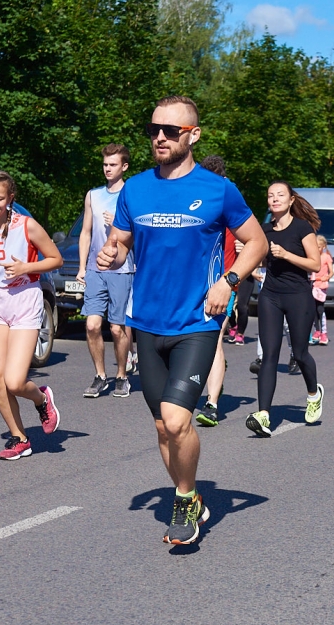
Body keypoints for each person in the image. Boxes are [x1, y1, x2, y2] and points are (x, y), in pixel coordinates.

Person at [97, 95, 266, 545]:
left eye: (171, 131)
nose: (159, 137)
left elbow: (257, 243)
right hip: (147, 321)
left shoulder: (217, 189)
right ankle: (187, 492)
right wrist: (111, 253)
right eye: (154, 129)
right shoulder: (135, 188)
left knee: (176, 420)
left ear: (193, 135)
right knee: (161, 425)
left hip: (197, 320)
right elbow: (120, 241)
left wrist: (228, 282)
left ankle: (186, 498)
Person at [0, 170, 63, 459]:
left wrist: (26, 268)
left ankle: (42, 399)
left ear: (10, 198)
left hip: (25, 301)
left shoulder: (26, 226)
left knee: (15, 382)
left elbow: (55, 258)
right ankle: (20, 438)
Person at [246, 182, 325, 437]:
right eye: (270, 195)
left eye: (280, 195)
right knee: (269, 355)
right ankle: (264, 415)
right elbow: (259, 258)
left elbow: (314, 264)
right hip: (270, 295)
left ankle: (313, 394)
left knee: (300, 353)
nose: (275, 199)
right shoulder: (264, 229)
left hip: (298, 296)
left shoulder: (302, 228)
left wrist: (287, 254)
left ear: (291, 200)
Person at [76, 144, 135, 398]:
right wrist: (81, 268)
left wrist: (120, 223)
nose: (108, 169)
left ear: (124, 167)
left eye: (113, 165)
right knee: (91, 325)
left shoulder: (132, 194)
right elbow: (86, 232)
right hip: (94, 268)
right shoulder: (93, 195)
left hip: (122, 269)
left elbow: (141, 232)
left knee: (116, 328)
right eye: (105, 164)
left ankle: (121, 375)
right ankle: (101, 375)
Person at [196, 154, 235, 427]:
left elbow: (254, 238)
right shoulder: (197, 199)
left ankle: (211, 404)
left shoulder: (230, 198)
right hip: (193, 283)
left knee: (215, 338)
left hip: (223, 283)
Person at [310, 235, 332, 346]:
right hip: (313, 285)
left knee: (320, 309)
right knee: (312, 309)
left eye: (319, 247)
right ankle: (317, 331)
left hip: (321, 286)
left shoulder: (326, 257)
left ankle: (324, 333)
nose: (317, 249)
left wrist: (326, 277)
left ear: (323, 247)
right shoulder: (312, 257)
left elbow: (331, 272)